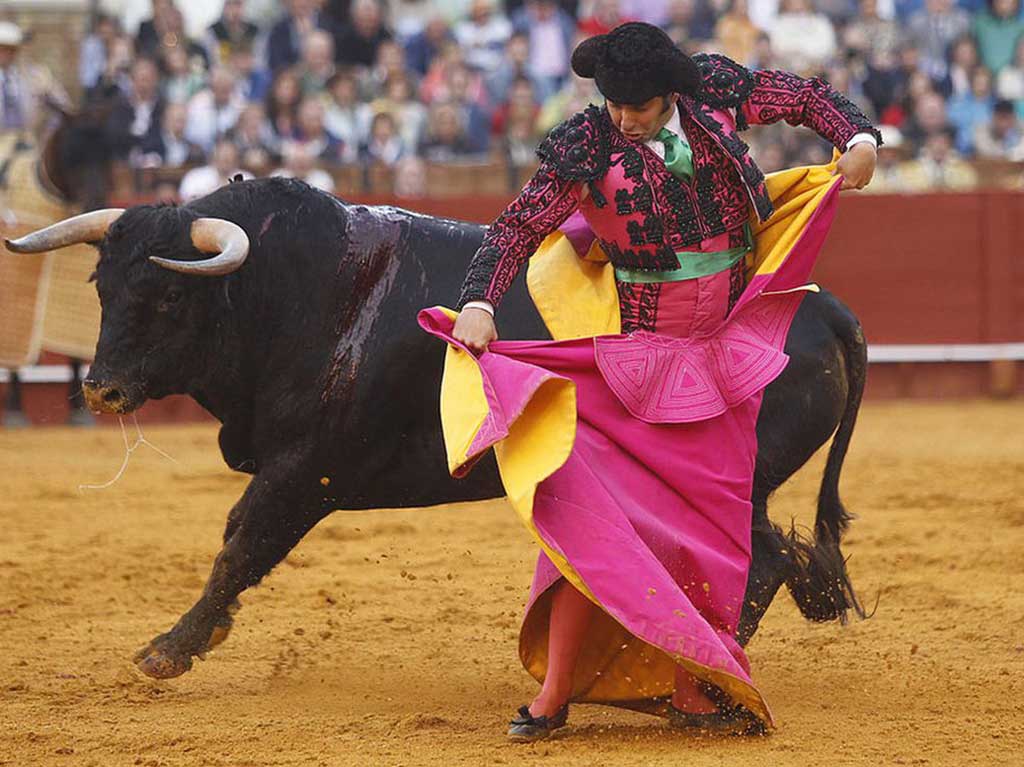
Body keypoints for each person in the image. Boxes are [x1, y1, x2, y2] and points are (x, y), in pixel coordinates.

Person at [437, 21, 878, 742]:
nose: (623, 118)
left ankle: (692, 690)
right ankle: (552, 695)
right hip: (636, 359)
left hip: (724, 357)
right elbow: (516, 228)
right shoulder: (585, 144)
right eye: (612, 104)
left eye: (636, 107)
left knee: (711, 533)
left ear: (668, 92)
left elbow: (803, 96)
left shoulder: (713, 91)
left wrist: (858, 138)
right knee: (592, 527)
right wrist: (483, 302)